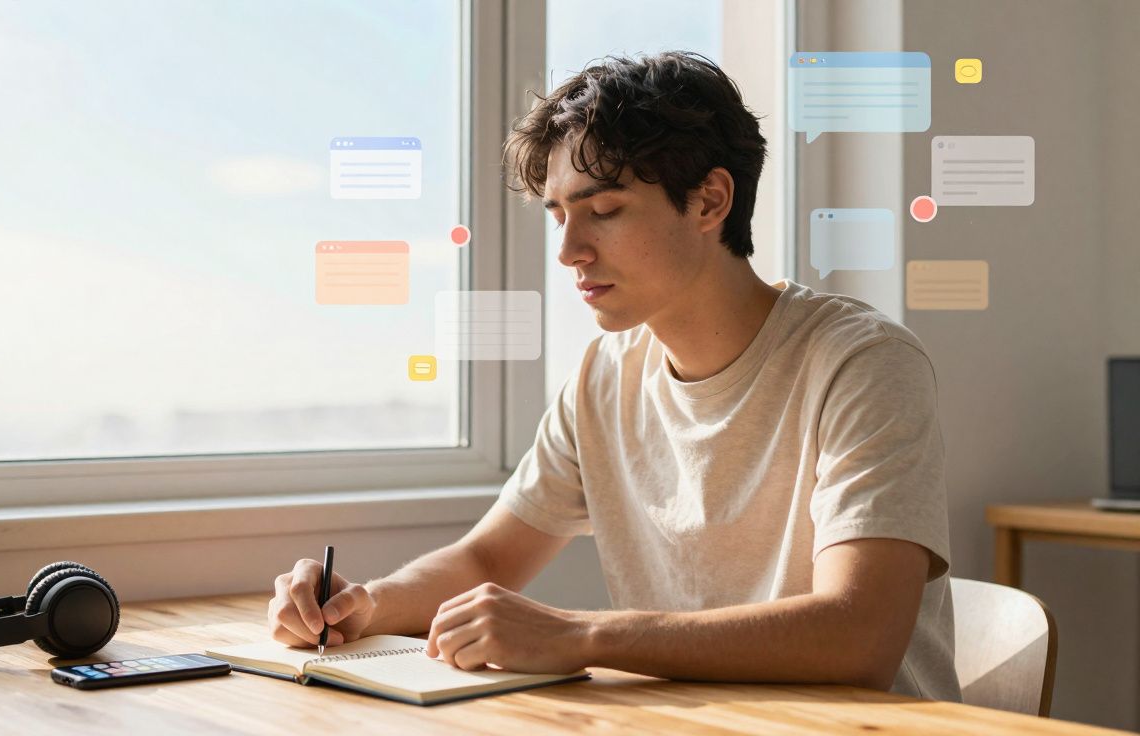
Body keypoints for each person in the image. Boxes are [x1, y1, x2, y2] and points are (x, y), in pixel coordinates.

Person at [267, 51, 961, 701]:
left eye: (603, 211)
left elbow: (859, 636)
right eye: (559, 217)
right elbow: (487, 558)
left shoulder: (862, 363)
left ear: (710, 202)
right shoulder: (605, 375)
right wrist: (362, 606)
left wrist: (582, 636)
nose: (569, 250)